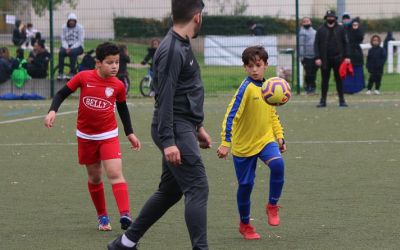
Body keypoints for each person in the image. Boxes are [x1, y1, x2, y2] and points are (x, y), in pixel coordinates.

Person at [108, 1, 211, 249]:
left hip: (183, 126)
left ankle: (125, 242)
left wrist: (197, 126)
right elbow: (164, 97)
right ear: (197, 17)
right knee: (197, 187)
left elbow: (183, 91)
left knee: (170, 190)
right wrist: (169, 142)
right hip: (174, 128)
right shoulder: (173, 49)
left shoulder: (180, 44)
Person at [44, 42, 141, 231]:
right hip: (86, 137)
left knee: (114, 173)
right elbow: (61, 93)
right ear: (98, 63)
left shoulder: (118, 85)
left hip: (108, 135)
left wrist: (129, 132)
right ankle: (103, 217)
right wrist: (52, 111)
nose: (114, 66)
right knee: (95, 177)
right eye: (110, 62)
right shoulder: (83, 77)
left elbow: (122, 108)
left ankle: (125, 215)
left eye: (117, 62)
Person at [217, 46, 286, 240]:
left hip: (265, 141)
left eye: (258, 65)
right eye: (249, 66)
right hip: (243, 146)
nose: (254, 69)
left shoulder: (269, 89)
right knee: (246, 186)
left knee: (278, 165)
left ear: (266, 65)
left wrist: (279, 136)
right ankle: (245, 224)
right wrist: (225, 143)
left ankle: (272, 205)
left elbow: (273, 115)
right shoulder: (246, 88)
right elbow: (231, 117)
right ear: (245, 68)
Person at [314, 10, 350, 107]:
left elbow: (346, 43)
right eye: (329, 17)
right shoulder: (320, 29)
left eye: (332, 17)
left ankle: (342, 100)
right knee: (324, 81)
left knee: (339, 81)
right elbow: (316, 44)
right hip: (325, 59)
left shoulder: (341, 29)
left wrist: (347, 56)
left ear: (335, 18)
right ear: (326, 18)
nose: (330, 18)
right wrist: (317, 57)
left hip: (338, 59)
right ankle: (323, 101)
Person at [58, 13, 85, 80]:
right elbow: (63, 39)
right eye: (70, 21)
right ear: (68, 21)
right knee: (61, 52)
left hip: (78, 46)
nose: (72, 22)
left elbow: (80, 41)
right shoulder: (64, 27)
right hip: (66, 46)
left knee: (72, 53)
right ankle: (60, 73)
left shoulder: (80, 28)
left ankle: (72, 73)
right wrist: (67, 47)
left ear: (75, 21)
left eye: (73, 21)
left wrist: (71, 48)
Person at [342, 15, 365, 94]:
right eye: (344, 19)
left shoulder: (356, 28)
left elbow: (360, 38)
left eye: (347, 18)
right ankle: (346, 89)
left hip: (355, 54)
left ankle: (357, 89)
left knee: (356, 71)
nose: (346, 20)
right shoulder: (341, 28)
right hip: (344, 54)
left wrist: (356, 29)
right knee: (346, 71)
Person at [299, 17, 318, 94]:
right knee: (308, 72)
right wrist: (301, 55)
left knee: (314, 72)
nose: (306, 23)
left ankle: (313, 87)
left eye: (308, 21)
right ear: (302, 23)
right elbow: (301, 45)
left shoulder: (315, 32)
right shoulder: (302, 32)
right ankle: (308, 87)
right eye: (305, 21)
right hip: (306, 56)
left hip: (315, 56)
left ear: (310, 22)